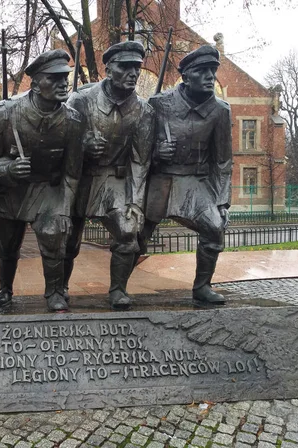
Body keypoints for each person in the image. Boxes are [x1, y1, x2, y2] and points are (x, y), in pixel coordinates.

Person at [0, 49, 83, 312]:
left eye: (65, 77)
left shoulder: (72, 120)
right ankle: (5, 290)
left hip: (48, 189)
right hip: (12, 190)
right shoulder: (5, 113)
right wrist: (9, 169)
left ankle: (54, 291)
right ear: (36, 83)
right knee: (8, 245)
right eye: (55, 78)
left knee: (53, 236)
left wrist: (66, 208)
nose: (63, 83)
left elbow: (73, 171)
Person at [65, 41, 155, 310]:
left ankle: (118, 290)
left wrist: (135, 203)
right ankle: (59, 288)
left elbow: (141, 162)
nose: (133, 73)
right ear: (108, 69)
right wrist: (83, 147)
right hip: (81, 180)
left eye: (136, 68)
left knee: (128, 232)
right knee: (67, 238)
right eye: (124, 67)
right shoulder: (81, 100)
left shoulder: (143, 111)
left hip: (115, 182)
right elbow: (63, 144)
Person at [142, 44, 232, 304]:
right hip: (161, 179)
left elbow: (223, 161)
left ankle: (202, 286)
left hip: (196, 183)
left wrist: (222, 200)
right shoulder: (159, 104)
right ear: (186, 76)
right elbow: (139, 150)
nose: (209, 77)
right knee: (137, 233)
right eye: (202, 71)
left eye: (212, 71)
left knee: (214, 228)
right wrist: (158, 153)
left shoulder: (220, 110)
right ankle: (119, 288)